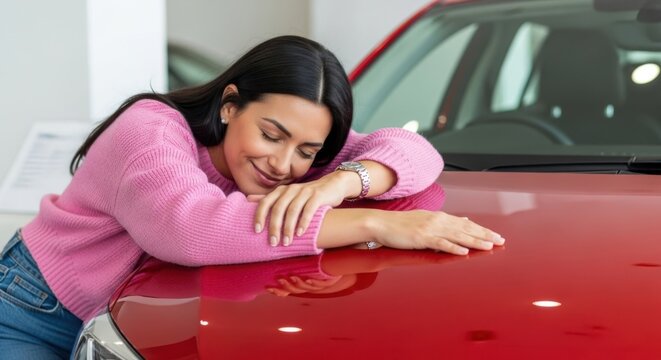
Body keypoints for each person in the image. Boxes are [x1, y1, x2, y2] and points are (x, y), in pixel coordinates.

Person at [0, 35, 505, 358]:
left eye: (307, 150)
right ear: (229, 105)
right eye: (271, 134)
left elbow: (417, 155)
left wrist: (340, 181)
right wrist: (375, 223)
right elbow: (190, 230)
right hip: (34, 311)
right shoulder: (151, 131)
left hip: (126, 325)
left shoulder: (302, 155)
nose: (284, 165)